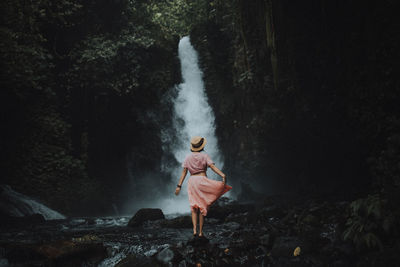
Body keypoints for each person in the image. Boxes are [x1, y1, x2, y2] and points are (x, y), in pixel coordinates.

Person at [174, 136, 232, 237]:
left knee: (193, 207)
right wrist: (222, 175)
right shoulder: (205, 156)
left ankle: (194, 231)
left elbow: (184, 173)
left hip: (192, 182)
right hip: (202, 181)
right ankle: (201, 232)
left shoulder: (187, 157)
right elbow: (212, 167)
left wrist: (179, 186)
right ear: (202, 146)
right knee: (202, 206)